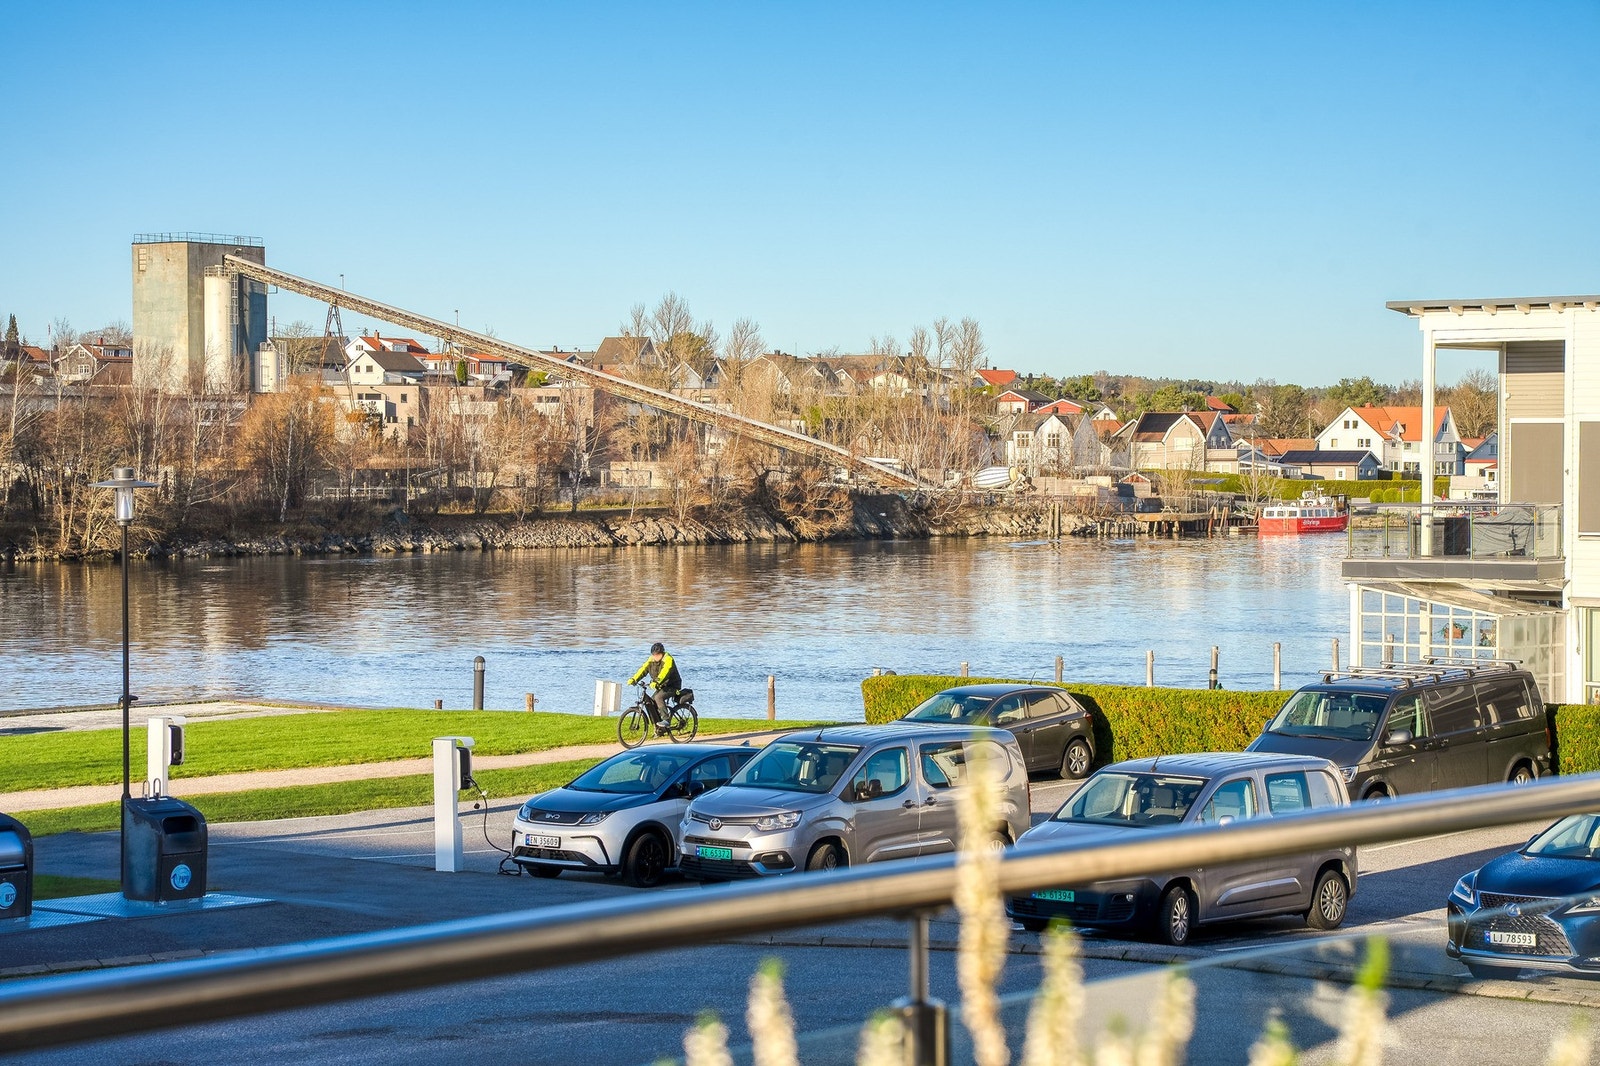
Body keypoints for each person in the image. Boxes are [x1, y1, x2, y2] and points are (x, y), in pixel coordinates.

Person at [629, 642, 683, 729]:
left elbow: (665, 672)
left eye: (658, 655)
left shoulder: (668, 659)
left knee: (658, 698)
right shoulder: (651, 660)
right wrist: (634, 679)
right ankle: (659, 728)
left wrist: (657, 682)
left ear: (662, 653)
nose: (656, 657)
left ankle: (666, 720)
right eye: (654, 655)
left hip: (672, 686)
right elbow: (643, 669)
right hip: (662, 686)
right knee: (651, 702)